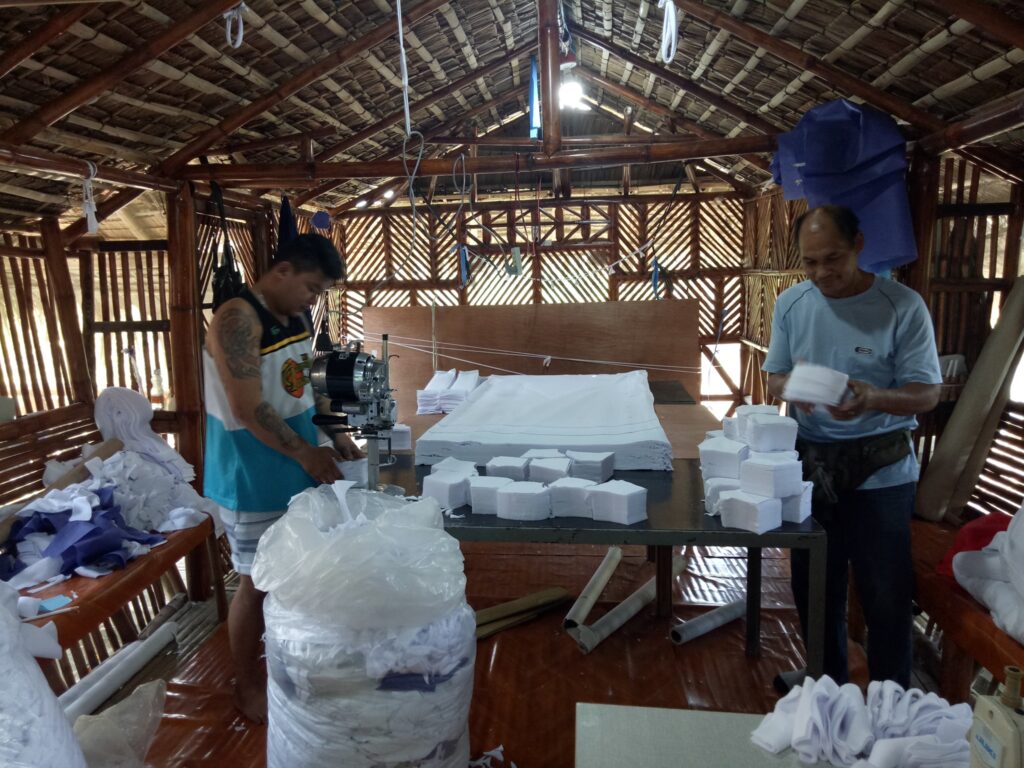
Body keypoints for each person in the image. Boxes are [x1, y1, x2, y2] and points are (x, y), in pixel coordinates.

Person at [763, 205, 941, 689]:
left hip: (881, 469)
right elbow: (774, 377)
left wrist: (873, 397)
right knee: (815, 584)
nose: (822, 273)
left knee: (885, 591)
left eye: (833, 259)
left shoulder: (901, 306)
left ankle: (891, 699)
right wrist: (793, 387)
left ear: (859, 245)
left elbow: (927, 392)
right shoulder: (792, 304)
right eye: (810, 262)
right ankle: (827, 686)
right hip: (813, 463)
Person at [203, 233, 363, 722]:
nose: (313, 299)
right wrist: (305, 454)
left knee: (296, 573)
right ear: (283, 271)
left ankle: (291, 663)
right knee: (256, 583)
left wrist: (335, 432)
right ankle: (246, 684)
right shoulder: (237, 319)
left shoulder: (293, 316)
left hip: (294, 468)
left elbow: (305, 382)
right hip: (251, 477)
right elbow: (247, 407)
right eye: (311, 288)